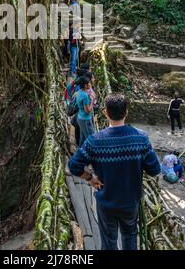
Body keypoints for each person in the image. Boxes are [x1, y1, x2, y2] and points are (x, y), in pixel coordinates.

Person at [68, 93, 161, 250]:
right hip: (130, 201)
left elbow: (74, 165)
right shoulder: (141, 138)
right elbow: (155, 170)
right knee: (130, 236)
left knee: (109, 242)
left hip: (106, 201)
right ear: (126, 112)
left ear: (105, 112)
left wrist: (90, 178)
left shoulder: (94, 141)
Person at [76, 76, 95, 146]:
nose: (90, 84)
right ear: (85, 85)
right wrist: (92, 101)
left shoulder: (80, 92)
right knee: (91, 137)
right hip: (85, 119)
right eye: (89, 83)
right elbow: (87, 110)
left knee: (83, 137)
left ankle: (80, 151)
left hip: (80, 117)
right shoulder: (85, 96)